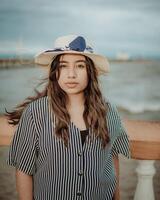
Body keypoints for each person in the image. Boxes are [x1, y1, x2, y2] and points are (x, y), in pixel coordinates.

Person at [6, 34, 130, 200]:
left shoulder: (108, 112)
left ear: (90, 72)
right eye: (63, 66)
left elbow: (112, 160)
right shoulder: (35, 113)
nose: (71, 74)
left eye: (80, 66)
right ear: (55, 72)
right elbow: (23, 169)